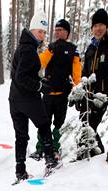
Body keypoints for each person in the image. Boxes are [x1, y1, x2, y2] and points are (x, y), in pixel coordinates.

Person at [9, 12, 59, 182]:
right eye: (40, 31)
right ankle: (51, 160)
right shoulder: (28, 48)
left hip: (15, 99)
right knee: (44, 124)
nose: (42, 35)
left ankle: (20, 170)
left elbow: (22, 73)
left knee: (21, 135)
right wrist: (39, 86)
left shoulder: (24, 46)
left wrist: (39, 80)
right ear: (32, 30)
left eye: (44, 32)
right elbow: (21, 77)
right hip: (27, 98)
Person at [77, 8, 108, 156]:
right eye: (95, 26)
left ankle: (98, 154)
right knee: (84, 124)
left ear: (106, 26)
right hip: (88, 94)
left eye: (101, 25)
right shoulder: (90, 48)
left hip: (102, 95)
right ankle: (87, 154)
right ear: (92, 28)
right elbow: (84, 73)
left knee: (90, 125)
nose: (98, 29)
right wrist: (81, 92)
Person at [30, 19, 81, 160]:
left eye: (61, 30)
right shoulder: (50, 47)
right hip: (47, 94)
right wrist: (50, 50)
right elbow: (40, 62)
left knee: (58, 123)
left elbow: (77, 73)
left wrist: (77, 89)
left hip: (62, 95)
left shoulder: (73, 49)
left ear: (67, 33)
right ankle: (40, 148)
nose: (58, 32)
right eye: (56, 29)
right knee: (43, 122)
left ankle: (55, 148)